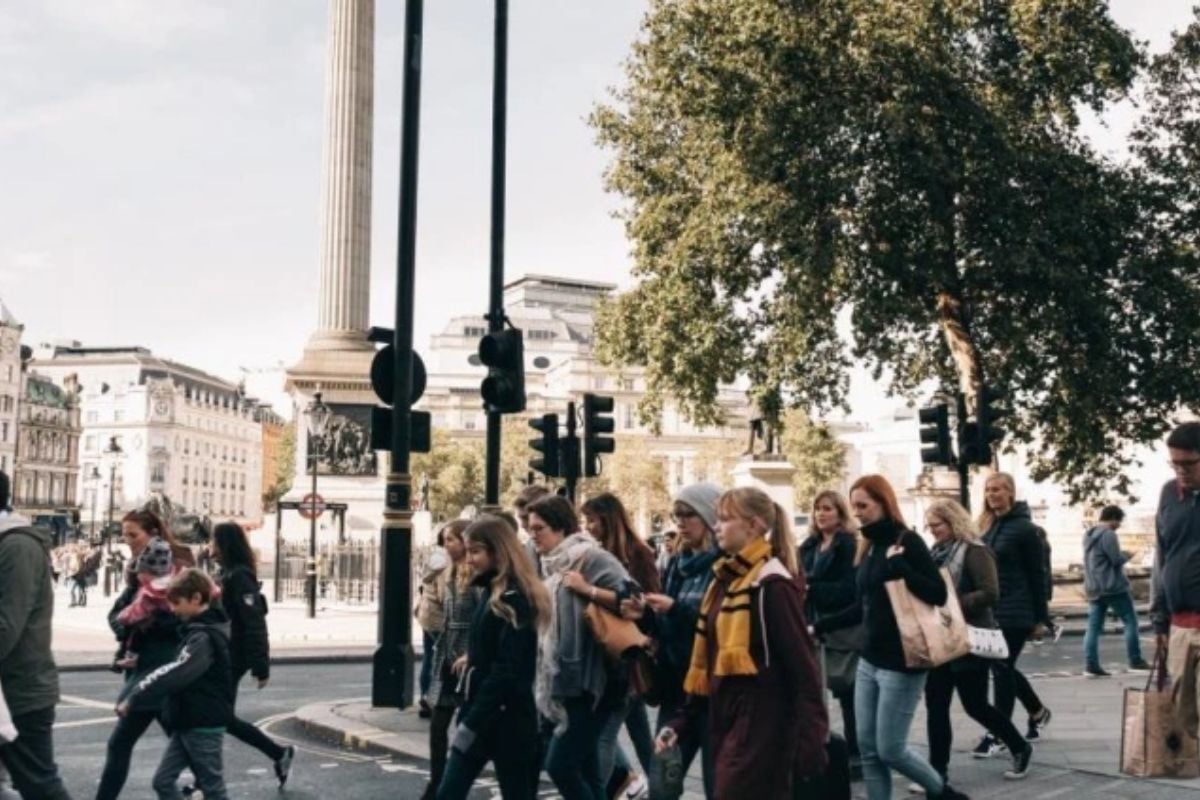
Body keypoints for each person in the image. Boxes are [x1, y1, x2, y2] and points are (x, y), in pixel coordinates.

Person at [656, 487, 828, 797]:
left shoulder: (771, 585)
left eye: (724, 519)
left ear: (755, 525)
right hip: (726, 718)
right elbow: (709, 659)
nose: (717, 526)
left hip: (763, 727)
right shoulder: (725, 579)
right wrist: (682, 721)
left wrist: (811, 740)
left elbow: (804, 669)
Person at [814, 475, 969, 800]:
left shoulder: (907, 542)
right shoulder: (866, 546)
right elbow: (862, 606)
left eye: (863, 505)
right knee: (869, 750)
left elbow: (938, 594)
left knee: (890, 749)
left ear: (883, 504)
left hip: (903, 661)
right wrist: (821, 626)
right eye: (854, 506)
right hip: (869, 660)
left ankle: (943, 792)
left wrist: (903, 569)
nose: (857, 512)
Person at [437, 516, 550, 799]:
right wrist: (473, 657)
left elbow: (508, 670)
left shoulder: (513, 600)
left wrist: (472, 722)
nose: (468, 559)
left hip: (508, 721)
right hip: (486, 712)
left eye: (475, 551)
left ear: (498, 552)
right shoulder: (491, 593)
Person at [922, 499, 1033, 790]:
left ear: (953, 522)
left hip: (970, 638)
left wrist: (955, 603)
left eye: (937, 525)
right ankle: (937, 773)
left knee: (975, 705)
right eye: (930, 526)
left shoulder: (975, 551)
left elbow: (990, 592)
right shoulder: (935, 552)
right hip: (941, 638)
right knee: (936, 705)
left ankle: (1019, 745)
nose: (932, 531)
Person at [527, 494, 632, 800]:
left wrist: (589, 589)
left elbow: (633, 600)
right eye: (530, 529)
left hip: (593, 682)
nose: (533, 535)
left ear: (561, 528)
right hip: (565, 681)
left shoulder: (591, 558)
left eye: (539, 528)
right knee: (587, 771)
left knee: (560, 765)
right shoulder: (553, 564)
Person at [96, 510, 195, 800]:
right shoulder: (138, 569)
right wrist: (126, 626)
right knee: (183, 741)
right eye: (124, 534)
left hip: (160, 667)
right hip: (144, 667)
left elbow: (185, 617)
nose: (127, 541)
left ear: (153, 533)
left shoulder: (178, 568)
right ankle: (210, 785)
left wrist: (144, 623)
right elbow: (117, 613)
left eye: (133, 534)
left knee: (120, 744)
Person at [118, 569, 233, 800]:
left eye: (176, 603)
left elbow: (177, 671)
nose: (172, 609)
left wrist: (136, 695)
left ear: (196, 599)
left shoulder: (204, 638)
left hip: (202, 722)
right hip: (187, 719)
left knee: (213, 789)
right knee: (163, 782)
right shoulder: (196, 632)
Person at [643, 482, 722, 799]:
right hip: (676, 688)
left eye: (688, 514)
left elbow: (718, 625)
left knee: (717, 785)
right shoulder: (677, 562)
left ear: (708, 517)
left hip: (712, 689)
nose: (680, 522)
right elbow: (666, 620)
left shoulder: (724, 566)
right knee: (661, 784)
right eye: (676, 515)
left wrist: (675, 609)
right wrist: (646, 614)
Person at [580, 492, 660, 798]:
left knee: (603, 736)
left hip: (628, 654)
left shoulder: (638, 553)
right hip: (611, 653)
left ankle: (599, 793)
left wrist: (592, 592)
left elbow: (648, 599)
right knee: (640, 734)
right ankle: (660, 790)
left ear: (608, 519)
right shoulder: (600, 552)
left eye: (592, 520)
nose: (588, 526)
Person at [0, 470, 74, 800]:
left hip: (20, 692)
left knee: (39, 786)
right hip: (10, 688)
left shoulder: (16, 547)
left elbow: (6, 624)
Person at [211, 522, 295, 787]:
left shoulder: (240, 577)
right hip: (221, 655)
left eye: (214, 542)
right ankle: (278, 753)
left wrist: (261, 665)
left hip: (232, 658)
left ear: (224, 545)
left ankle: (207, 779)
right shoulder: (226, 573)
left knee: (218, 718)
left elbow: (254, 621)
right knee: (217, 718)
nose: (210, 547)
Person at [975, 473, 1052, 754]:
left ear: (1010, 492)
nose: (992, 494)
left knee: (1002, 669)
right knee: (1002, 667)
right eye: (988, 490)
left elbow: (1037, 575)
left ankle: (998, 734)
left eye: (997, 489)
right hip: (992, 610)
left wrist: (1040, 618)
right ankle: (1037, 711)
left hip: (1016, 610)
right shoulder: (987, 525)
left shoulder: (1024, 529)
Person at [799, 490, 861, 764]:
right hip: (814, 624)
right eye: (818, 509)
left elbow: (850, 589)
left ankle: (856, 752)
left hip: (842, 626)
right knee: (816, 689)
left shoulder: (848, 544)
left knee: (848, 691)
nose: (821, 514)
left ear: (840, 514)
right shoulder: (809, 545)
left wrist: (813, 590)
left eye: (828, 509)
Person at [421, 520, 478, 800]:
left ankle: (455, 786)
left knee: (469, 728)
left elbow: (484, 617)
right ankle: (437, 782)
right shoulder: (445, 574)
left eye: (452, 540)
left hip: (469, 659)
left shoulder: (477, 576)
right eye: (445, 540)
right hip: (447, 656)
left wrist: (474, 653)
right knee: (437, 725)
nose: (446, 545)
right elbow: (433, 612)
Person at [1152, 422, 1200, 736]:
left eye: (1189, 464)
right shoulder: (1169, 493)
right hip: (1180, 625)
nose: (1180, 471)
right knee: (1185, 726)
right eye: (1174, 464)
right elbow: (1161, 556)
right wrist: (1159, 620)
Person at [1082, 506, 1150, 677]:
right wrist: (1128, 554)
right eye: (1119, 521)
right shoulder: (1108, 534)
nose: (1119, 525)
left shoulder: (1089, 534)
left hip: (1093, 587)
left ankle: (1091, 664)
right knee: (1130, 622)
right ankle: (1135, 660)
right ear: (1112, 518)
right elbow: (1115, 560)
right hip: (1112, 587)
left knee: (1093, 627)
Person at [113, 537, 176, 671]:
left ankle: (131, 656)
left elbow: (134, 611)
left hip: (155, 650)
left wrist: (124, 618)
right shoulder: (172, 585)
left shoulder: (148, 592)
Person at [417, 534, 452, 719]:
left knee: (430, 657)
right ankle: (433, 699)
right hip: (438, 618)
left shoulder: (434, 559)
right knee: (441, 660)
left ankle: (425, 695)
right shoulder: (445, 563)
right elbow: (444, 595)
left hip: (427, 615)